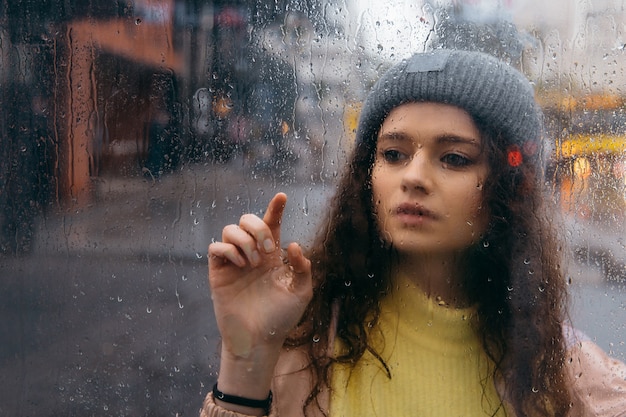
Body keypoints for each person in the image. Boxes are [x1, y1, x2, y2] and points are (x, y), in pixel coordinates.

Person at [203, 49, 626, 417]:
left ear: (511, 187)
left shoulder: (569, 378)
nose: (414, 176)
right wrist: (247, 357)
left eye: (455, 158)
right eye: (393, 154)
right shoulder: (304, 331)